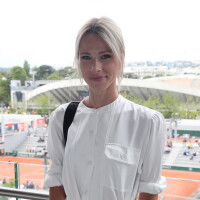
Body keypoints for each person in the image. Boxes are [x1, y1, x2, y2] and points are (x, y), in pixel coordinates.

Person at [44, 17, 166, 200]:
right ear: (78, 61)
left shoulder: (147, 122)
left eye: (105, 56)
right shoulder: (61, 118)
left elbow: (149, 193)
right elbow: (56, 185)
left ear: (121, 58)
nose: (96, 68)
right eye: (86, 57)